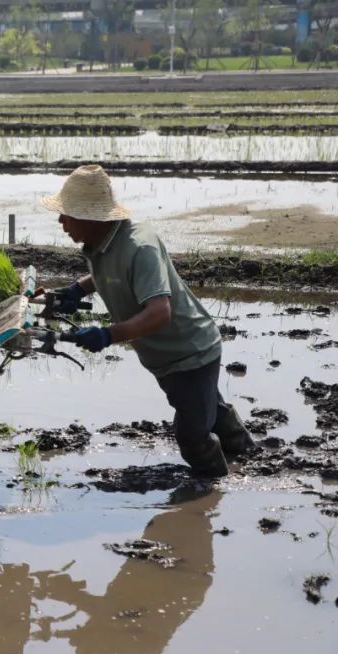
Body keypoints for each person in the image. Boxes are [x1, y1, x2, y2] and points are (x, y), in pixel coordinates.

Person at [40, 165, 253, 477]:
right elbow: (112, 272)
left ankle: (211, 491)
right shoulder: (104, 244)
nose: (61, 222)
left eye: (66, 214)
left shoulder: (141, 246)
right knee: (207, 408)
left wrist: (108, 334)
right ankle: (248, 455)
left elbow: (160, 312)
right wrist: (77, 290)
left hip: (190, 352)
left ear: (89, 217)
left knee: (192, 434)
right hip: (166, 357)